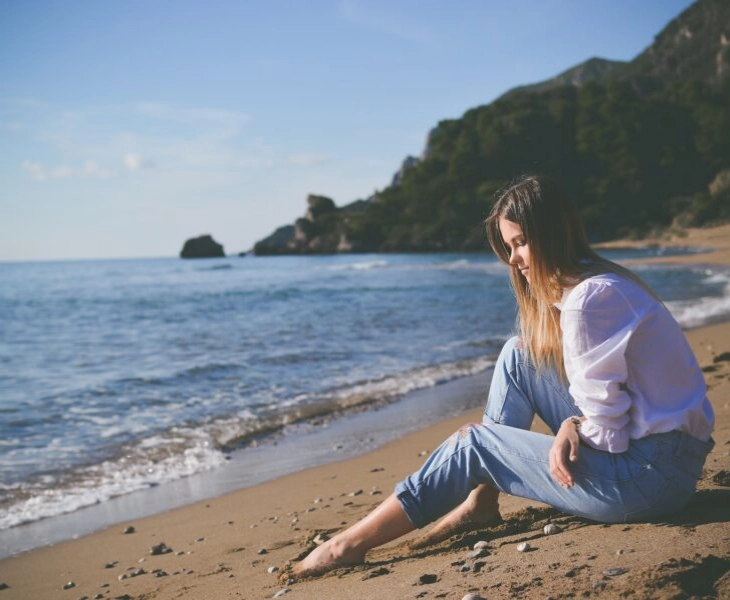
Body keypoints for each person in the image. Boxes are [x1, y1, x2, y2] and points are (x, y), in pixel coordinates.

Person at [291, 174, 715, 579]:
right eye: (509, 246)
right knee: (519, 354)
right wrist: (574, 425)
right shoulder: (601, 282)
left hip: (646, 481)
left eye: (521, 242)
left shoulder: (589, 299)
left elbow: (610, 436)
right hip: (665, 463)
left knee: (475, 443)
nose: (513, 259)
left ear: (552, 233)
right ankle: (481, 502)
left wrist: (573, 425)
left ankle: (346, 545)